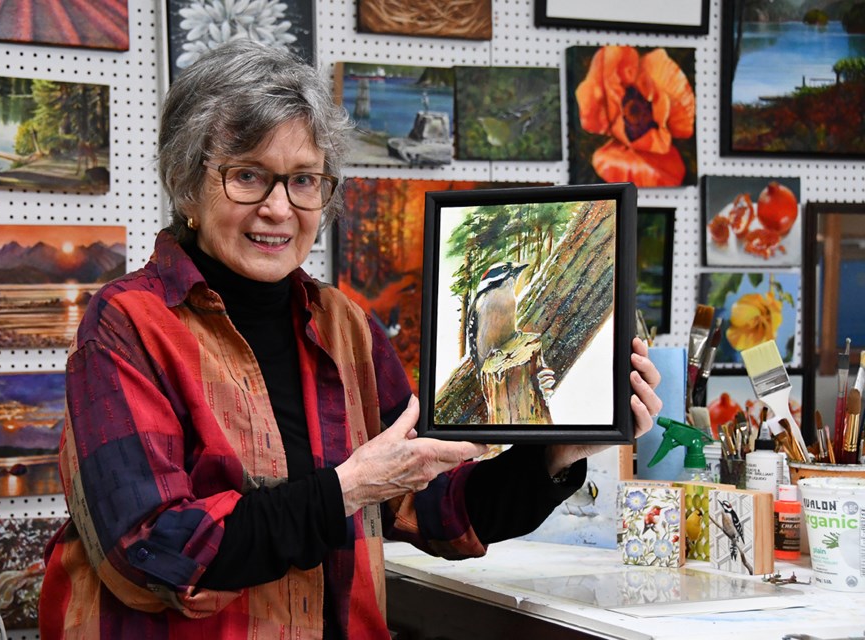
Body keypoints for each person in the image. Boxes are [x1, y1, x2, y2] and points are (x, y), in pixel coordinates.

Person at [38, 39, 663, 639]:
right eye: (249, 175)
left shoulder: (346, 328)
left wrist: (560, 450)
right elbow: (150, 551)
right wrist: (351, 487)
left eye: (305, 179)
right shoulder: (127, 324)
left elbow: (434, 508)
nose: (280, 209)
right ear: (186, 185)